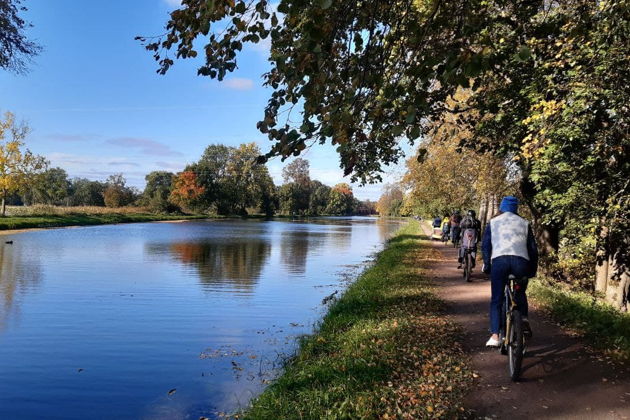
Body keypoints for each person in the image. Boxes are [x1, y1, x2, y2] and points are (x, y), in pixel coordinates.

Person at [482, 196, 538, 347]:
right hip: (521, 263)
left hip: (500, 262)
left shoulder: (493, 222)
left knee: (497, 299)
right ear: (515, 209)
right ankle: (524, 318)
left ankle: (495, 336)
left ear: (501, 208)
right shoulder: (525, 223)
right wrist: (532, 270)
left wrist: (487, 265)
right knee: (520, 292)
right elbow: (533, 250)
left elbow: (486, 246)